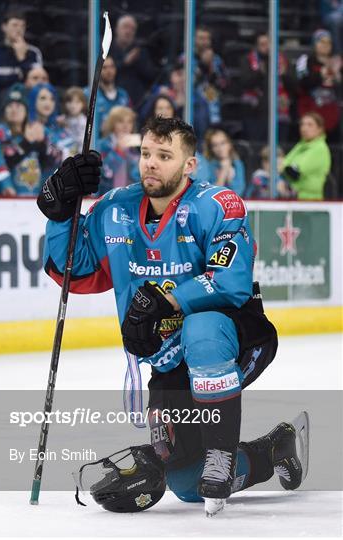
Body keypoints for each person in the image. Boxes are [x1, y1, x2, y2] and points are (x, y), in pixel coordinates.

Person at [37, 116, 307, 515]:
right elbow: (75, 272)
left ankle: (220, 455)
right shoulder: (115, 209)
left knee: (201, 328)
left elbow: (229, 282)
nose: (151, 163)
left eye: (165, 155)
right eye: (146, 153)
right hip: (169, 362)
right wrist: (58, 213)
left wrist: (167, 302)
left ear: (189, 165)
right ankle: (273, 449)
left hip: (233, 342)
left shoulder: (217, 204)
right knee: (184, 481)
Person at [0, 84, 57, 195]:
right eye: (10, 106)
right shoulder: (0, 132)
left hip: (36, 197)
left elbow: (52, 163)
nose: (14, 110)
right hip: (9, 199)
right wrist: (27, 143)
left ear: (26, 111)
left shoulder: (40, 130)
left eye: (18, 106)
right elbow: (3, 161)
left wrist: (42, 143)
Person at [240, 31, 296, 142]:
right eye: (262, 44)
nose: (267, 47)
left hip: (280, 113)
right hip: (254, 114)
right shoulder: (248, 60)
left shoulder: (284, 61)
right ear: (256, 46)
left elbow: (294, 86)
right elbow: (244, 83)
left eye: (268, 44)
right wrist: (259, 73)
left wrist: (284, 74)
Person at [296, 29, 342, 139]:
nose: (325, 45)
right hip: (310, 117)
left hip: (332, 118)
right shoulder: (305, 60)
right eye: (321, 41)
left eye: (328, 42)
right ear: (314, 44)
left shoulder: (337, 63)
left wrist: (337, 76)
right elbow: (301, 83)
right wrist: (320, 75)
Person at [110, 15, 159, 108]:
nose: (128, 31)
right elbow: (101, 73)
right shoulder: (107, 49)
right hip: (112, 99)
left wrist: (138, 60)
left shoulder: (140, 50)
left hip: (136, 101)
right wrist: (125, 62)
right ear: (116, 29)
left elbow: (150, 75)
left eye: (132, 29)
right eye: (125, 27)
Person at [282, 112, 331, 200]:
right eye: (302, 124)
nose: (304, 128)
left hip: (310, 202)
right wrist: (284, 167)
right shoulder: (300, 145)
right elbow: (284, 165)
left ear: (320, 129)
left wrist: (284, 168)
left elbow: (295, 172)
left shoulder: (320, 148)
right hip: (294, 200)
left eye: (310, 125)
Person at [0, 9, 43, 94]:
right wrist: (18, 77)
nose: (19, 29)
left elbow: (36, 83)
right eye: (15, 25)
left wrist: (22, 59)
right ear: (4, 27)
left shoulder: (33, 52)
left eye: (22, 26)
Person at [97, 105, 140, 194]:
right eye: (121, 121)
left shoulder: (136, 147)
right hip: (107, 194)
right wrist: (118, 151)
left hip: (128, 196)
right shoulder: (102, 145)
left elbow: (137, 177)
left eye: (129, 122)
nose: (126, 126)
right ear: (112, 123)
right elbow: (103, 172)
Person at [202, 128, 246, 196]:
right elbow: (211, 194)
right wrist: (224, 170)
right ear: (210, 149)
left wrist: (230, 180)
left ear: (229, 144)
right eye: (215, 145)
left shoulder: (237, 163)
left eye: (223, 143)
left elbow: (239, 191)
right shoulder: (207, 165)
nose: (220, 148)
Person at [96, 56, 131, 135]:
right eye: (104, 68)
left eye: (112, 67)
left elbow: (131, 119)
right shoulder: (89, 94)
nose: (109, 71)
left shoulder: (123, 95)